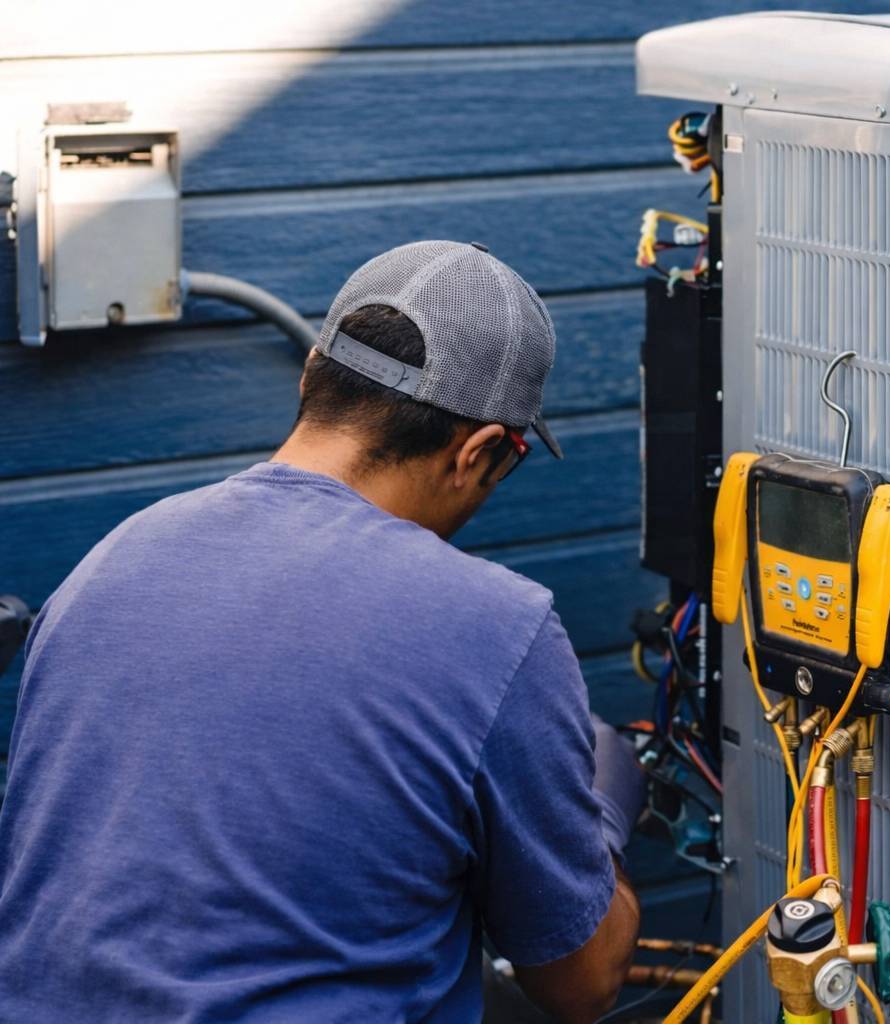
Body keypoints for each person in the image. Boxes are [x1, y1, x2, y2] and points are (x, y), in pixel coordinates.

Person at [0, 241, 642, 1024]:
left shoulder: (110, 560)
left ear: (311, 375)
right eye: (506, 462)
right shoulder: (496, 626)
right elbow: (584, 984)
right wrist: (602, 816)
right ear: (477, 453)